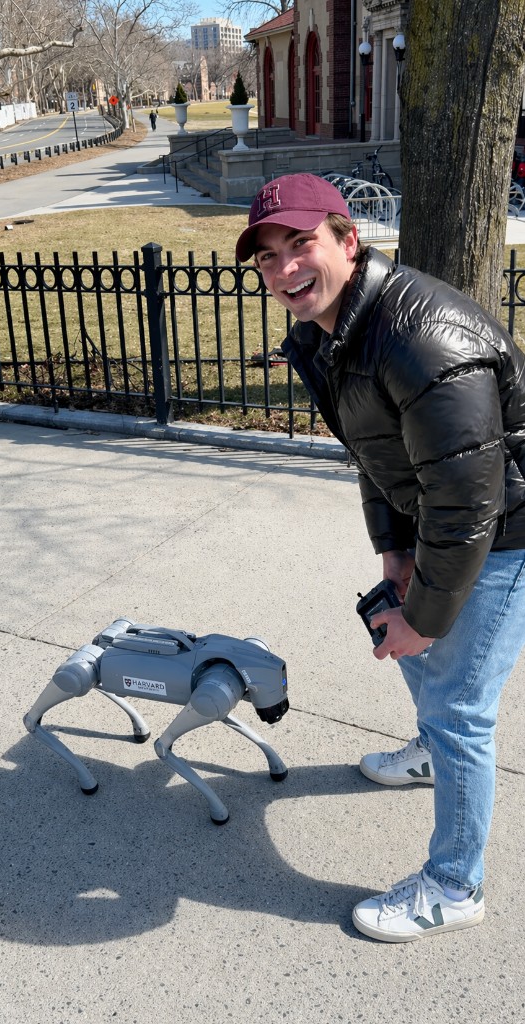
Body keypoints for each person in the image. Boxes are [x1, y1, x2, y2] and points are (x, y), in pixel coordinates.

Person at [235, 172, 525, 943]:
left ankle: (454, 885)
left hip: (506, 529)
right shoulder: (325, 333)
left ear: (346, 239)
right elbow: (372, 453)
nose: (284, 270)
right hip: (445, 516)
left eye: (300, 245)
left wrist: (426, 618)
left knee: (459, 702)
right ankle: (431, 752)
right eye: (267, 258)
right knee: (396, 624)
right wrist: (394, 558)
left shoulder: (422, 338)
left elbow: (471, 503)